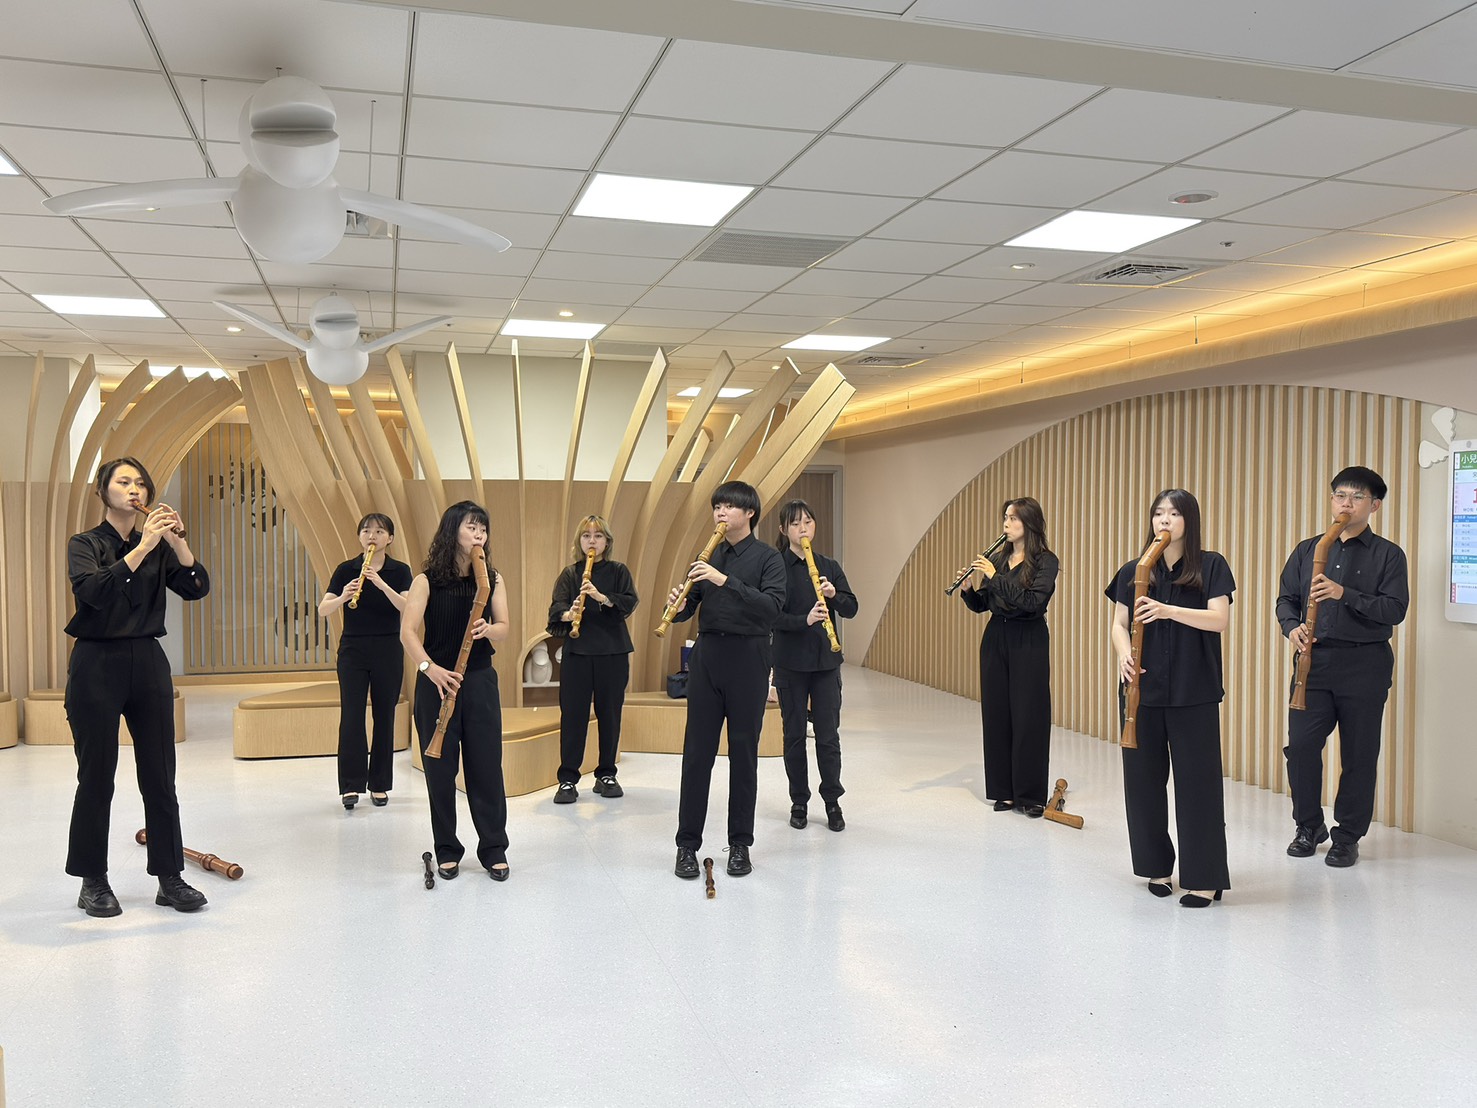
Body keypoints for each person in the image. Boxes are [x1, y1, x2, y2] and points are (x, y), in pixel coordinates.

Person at [64, 457, 211, 917]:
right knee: (96, 777)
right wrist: (143, 547)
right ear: (103, 491)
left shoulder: (159, 547)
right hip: (96, 662)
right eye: (123, 481)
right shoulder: (84, 543)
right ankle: (93, 881)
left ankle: (170, 877)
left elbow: (196, 587)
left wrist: (177, 542)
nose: (134, 489)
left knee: (160, 775)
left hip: (147, 660)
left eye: (140, 483)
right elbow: (93, 592)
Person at [1106, 489, 1234, 908]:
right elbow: (1119, 623)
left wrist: (1167, 610)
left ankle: (1204, 878)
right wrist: (1123, 654)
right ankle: (1156, 867)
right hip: (1141, 691)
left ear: (1188, 521)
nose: (1164, 520)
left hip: (1193, 692)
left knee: (1199, 786)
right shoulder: (1135, 568)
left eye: (1174, 514)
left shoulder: (1211, 565)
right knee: (1142, 784)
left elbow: (1218, 620)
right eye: (1159, 513)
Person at [1276, 466, 1409, 868]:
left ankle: (1347, 836)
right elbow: (1286, 599)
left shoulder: (1389, 555)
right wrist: (1292, 628)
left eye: (1356, 497)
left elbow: (1394, 610)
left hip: (1364, 665)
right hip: (1313, 664)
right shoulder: (1308, 549)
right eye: (1340, 495)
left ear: (1374, 506)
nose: (1346, 504)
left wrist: (1343, 593)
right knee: (1300, 748)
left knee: (1359, 755)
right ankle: (1308, 826)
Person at [666, 481, 785, 879]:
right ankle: (686, 845)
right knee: (696, 753)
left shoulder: (769, 558)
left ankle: (739, 845)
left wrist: (724, 580)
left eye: (729, 506)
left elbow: (771, 608)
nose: (720, 512)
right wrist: (678, 604)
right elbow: (691, 609)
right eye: (717, 506)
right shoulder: (708, 554)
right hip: (708, 656)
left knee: (743, 753)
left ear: (749, 512)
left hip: (749, 657)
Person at [400, 501, 511, 881]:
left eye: (483, 528)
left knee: (486, 768)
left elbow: (504, 627)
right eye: (471, 527)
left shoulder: (492, 578)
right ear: (452, 531)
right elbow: (408, 633)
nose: (479, 534)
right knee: (440, 771)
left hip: (478, 682)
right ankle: (447, 849)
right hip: (437, 682)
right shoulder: (426, 580)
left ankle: (494, 848)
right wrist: (429, 669)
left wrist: (488, 629)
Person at [956, 497, 1058, 817]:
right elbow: (984, 604)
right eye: (1005, 517)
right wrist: (968, 590)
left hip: (1029, 639)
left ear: (1030, 522)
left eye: (1013, 518)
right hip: (995, 638)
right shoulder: (999, 558)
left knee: (1029, 715)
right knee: (997, 713)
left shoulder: (1045, 561)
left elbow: (1032, 602)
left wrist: (995, 576)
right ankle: (1004, 791)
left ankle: (1030, 795)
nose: (1006, 523)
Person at [771, 499, 857, 832]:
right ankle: (799, 801)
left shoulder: (828, 566)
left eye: (807, 522)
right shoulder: (774, 566)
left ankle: (832, 801)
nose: (802, 529)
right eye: (795, 524)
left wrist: (834, 595)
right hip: (790, 663)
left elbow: (851, 608)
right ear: (784, 530)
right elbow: (769, 615)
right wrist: (803, 620)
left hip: (825, 662)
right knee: (794, 736)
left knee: (828, 736)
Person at [319, 513, 411, 810]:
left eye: (379, 531)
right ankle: (350, 785)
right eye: (367, 531)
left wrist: (381, 584)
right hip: (353, 649)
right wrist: (343, 597)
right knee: (352, 715)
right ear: (359, 536)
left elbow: (408, 606)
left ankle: (380, 784)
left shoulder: (400, 570)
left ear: (390, 538)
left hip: (388, 647)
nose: (372, 536)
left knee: (385, 716)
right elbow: (323, 609)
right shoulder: (346, 569)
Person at [546, 514, 638, 804]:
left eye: (598, 536)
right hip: (578, 654)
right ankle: (568, 779)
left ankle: (606, 774)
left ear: (607, 541)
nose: (592, 541)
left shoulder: (619, 571)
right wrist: (569, 614)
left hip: (613, 653)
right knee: (573, 715)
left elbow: (629, 602)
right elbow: (555, 611)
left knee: (610, 714)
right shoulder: (570, 574)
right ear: (580, 541)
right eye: (586, 536)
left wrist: (601, 597)